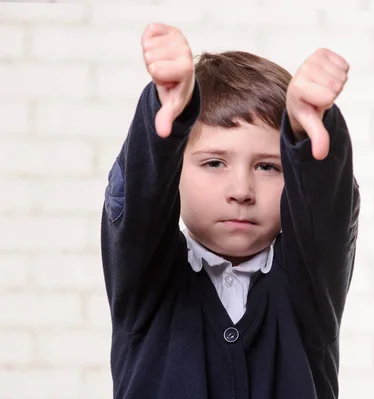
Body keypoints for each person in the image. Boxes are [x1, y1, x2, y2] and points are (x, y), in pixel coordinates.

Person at [101, 22, 360, 399]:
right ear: (176, 170)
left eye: (268, 167)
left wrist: (310, 130)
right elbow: (138, 200)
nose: (241, 191)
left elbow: (327, 210)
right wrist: (168, 114)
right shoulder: (144, 278)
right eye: (214, 163)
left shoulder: (310, 284)